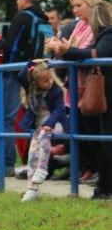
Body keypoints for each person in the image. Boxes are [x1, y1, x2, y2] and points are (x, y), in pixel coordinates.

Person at [53, 0, 112, 200]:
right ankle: (103, 186)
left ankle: (105, 187)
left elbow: (98, 54)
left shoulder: (108, 34)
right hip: (105, 93)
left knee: (105, 141)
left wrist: (68, 51)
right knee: (101, 140)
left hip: (107, 94)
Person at [47, 0, 104, 186]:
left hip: (91, 87)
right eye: (73, 6)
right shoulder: (79, 25)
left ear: (91, 4)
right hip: (75, 87)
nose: (75, 10)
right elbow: (70, 49)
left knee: (95, 132)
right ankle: (87, 167)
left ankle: (99, 170)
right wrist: (57, 47)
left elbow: (88, 51)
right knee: (80, 131)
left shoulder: (98, 27)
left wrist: (64, 49)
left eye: (79, 5)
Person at [0, 0, 50, 178]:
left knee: (7, 118)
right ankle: (35, 163)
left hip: (15, 72)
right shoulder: (45, 20)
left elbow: (9, 45)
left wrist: (3, 65)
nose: (17, 2)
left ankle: (6, 164)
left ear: (25, 0)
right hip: (39, 72)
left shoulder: (21, 18)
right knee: (37, 119)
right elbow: (48, 45)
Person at [17, 60, 67, 202]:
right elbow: (21, 76)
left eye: (50, 78)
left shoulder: (56, 91)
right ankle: (32, 189)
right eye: (45, 80)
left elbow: (59, 110)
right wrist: (31, 63)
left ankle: (42, 168)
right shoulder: (31, 90)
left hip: (55, 124)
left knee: (44, 135)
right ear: (35, 82)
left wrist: (49, 124)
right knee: (32, 153)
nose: (49, 82)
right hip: (39, 128)